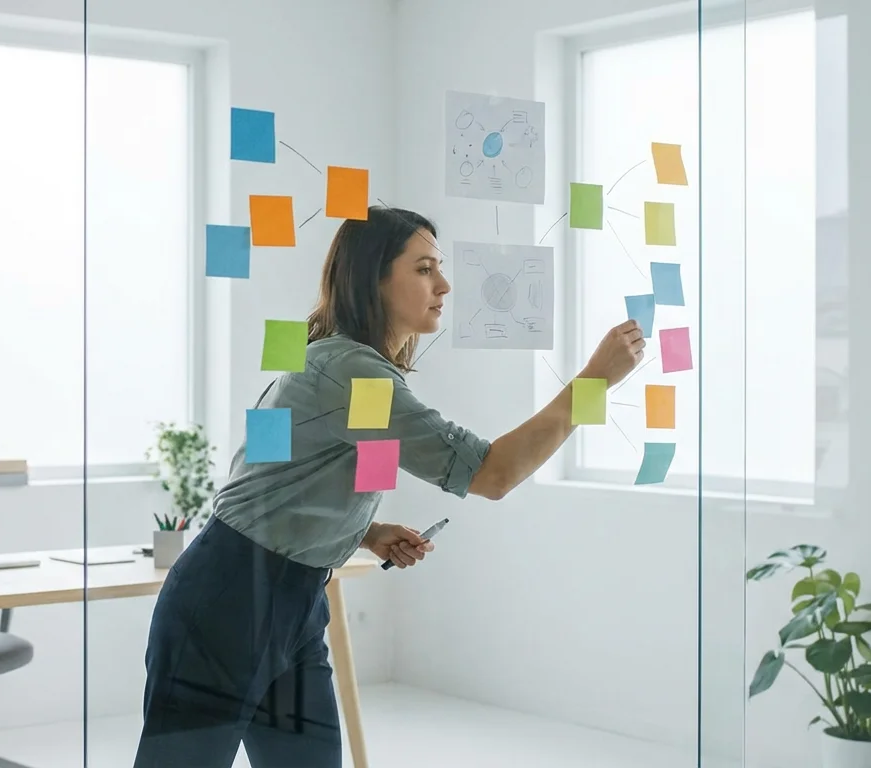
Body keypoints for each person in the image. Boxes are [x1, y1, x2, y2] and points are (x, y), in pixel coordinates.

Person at [132, 206, 644, 768]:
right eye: (424, 269)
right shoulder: (351, 372)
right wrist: (595, 381)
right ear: (372, 279)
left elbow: (278, 479)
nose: (444, 285)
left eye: (439, 268)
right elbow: (493, 474)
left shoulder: (342, 363)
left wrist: (366, 531)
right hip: (229, 599)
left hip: (290, 601)